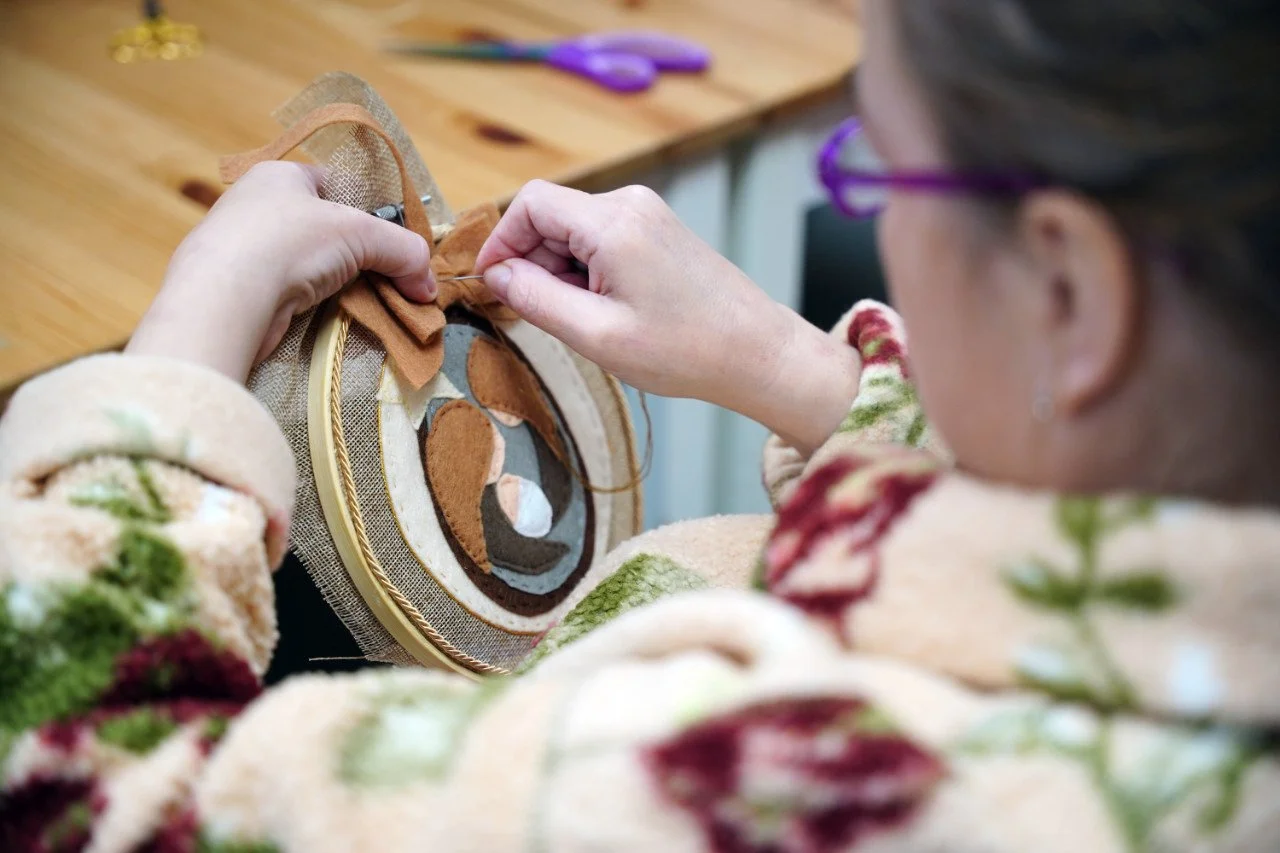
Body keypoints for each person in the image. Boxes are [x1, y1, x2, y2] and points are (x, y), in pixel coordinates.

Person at [2, 0, 1278, 850]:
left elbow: (84, 787)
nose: (874, 215)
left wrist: (191, 327)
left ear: (1068, 290)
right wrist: (793, 367)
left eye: (877, 167)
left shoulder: (716, 771)